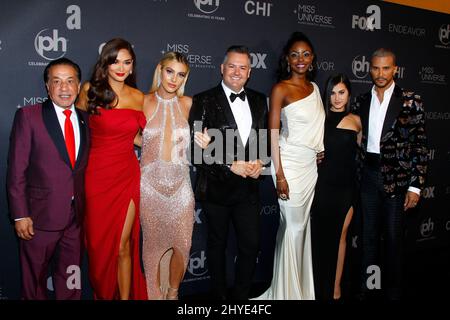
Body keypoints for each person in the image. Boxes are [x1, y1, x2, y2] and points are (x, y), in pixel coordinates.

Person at [188, 45, 268, 300]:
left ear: (249, 72)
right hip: (217, 188)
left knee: (250, 244)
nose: (236, 72)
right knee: (217, 246)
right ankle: (221, 298)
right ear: (222, 69)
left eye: (242, 67)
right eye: (231, 66)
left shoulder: (258, 99)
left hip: (248, 191)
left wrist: (260, 163)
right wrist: (229, 165)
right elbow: (196, 151)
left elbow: (262, 140)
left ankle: (241, 298)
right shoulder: (203, 99)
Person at [7, 58, 89, 299]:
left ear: (78, 85)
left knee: (71, 277)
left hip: (76, 218)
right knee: (34, 282)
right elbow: (16, 170)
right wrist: (20, 214)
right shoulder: (28, 116)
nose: (64, 88)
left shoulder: (87, 119)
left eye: (70, 81)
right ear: (47, 86)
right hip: (39, 218)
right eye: (57, 81)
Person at [353, 48, 428, 300]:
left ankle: (393, 293)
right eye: (375, 68)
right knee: (368, 237)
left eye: (386, 68)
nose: (380, 73)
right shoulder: (362, 100)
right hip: (368, 175)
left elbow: (420, 144)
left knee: (394, 240)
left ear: (394, 69)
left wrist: (415, 186)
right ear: (369, 68)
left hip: (397, 180)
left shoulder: (411, 100)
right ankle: (370, 287)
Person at [254, 32, 324, 300]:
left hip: (309, 168)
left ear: (313, 58)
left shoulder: (316, 89)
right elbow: (272, 133)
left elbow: (317, 128)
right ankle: (288, 292)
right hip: (288, 166)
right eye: (295, 54)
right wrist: (279, 174)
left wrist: (319, 149)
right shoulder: (280, 88)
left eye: (306, 54)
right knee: (293, 227)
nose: (300, 59)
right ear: (287, 58)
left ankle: (298, 289)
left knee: (299, 229)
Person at [76, 38, 147, 300]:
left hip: (127, 174)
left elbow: (137, 138)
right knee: (99, 247)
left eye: (127, 62)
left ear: (132, 66)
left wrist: (171, 142)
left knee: (123, 245)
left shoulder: (139, 97)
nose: (121, 67)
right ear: (105, 62)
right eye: (115, 60)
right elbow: (78, 132)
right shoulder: (89, 91)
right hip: (96, 176)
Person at [139, 52, 195, 300]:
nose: (174, 78)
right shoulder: (143, 101)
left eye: (180, 74)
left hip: (182, 187)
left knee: (182, 246)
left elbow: (207, 140)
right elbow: (119, 129)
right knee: (152, 252)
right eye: (169, 71)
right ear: (160, 70)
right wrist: (145, 142)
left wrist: (204, 143)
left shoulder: (188, 104)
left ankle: (173, 293)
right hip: (149, 189)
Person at [311, 74, 361, 300]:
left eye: (341, 92)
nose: (337, 98)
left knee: (341, 236)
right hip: (322, 188)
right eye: (332, 92)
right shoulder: (318, 119)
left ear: (349, 94)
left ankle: (336, 287)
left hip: (346, 189)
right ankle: (316, 285)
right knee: (320, 239)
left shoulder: (357, 121)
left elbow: (362, 156)